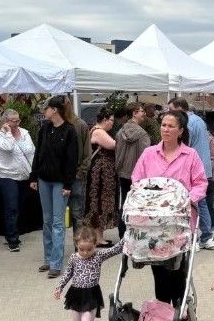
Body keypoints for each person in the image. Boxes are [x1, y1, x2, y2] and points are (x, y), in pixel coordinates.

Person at [131, 109, 208, 305]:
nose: (165, 129)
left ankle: (179, 310)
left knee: (178, 269)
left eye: (171, 126)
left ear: (180, 131)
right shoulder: (149, 154)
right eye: (163, 125)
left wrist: (187, 199)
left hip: (179, 222)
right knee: (159, 271)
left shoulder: (190, 155)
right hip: (153, 224)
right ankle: (162, 309)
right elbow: (137, 180)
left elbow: (200, 183)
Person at [53, 227, 125, 321]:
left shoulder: (99, 255)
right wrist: (59, 287)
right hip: (75, 295)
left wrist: (128, 235)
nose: (85, 252)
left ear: (95, 245)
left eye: (89, 249)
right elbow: (68, 274)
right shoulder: (73, 258)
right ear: (76, 245)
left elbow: (116, 249)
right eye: (81, 249)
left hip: (91, 295)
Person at [30, 95, 79, 278]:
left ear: (55, 110)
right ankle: (48, 258)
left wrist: (68, 184)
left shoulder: (69, 131)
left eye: (46, 108)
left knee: (58, 222)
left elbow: (72, 160)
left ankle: (56, 264)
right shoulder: (44, 128)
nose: (44, 111)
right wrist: (34, 176)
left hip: (60, 182)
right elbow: (38, 154)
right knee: (47, 220)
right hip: (44, 179)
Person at [168, 98, 214, 250]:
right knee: (202, 203)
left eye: (171, 109)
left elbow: (182, 146)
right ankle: (207, 237)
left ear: (180, 108)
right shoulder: (199, 120)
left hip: (192, 168)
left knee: (192, 203)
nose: (170, 113)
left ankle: (194, 237)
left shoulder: (186, 123)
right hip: (204, 166)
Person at [0, 108, 35, 252]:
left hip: (24, 174)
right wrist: (8, 133)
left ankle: (12, 232)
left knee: (19, 206)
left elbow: (31, 151)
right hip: (8, 175)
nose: (17, 123)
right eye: (13, 121)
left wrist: (34, 172)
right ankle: (12, 239)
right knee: (11, 207)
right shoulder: (0, 135)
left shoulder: (25, 133)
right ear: (6, 122)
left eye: (18, 120)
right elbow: (8, 147)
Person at [115, 102, 151, 239]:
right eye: (141, 111)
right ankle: (134, 234)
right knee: (138, 205)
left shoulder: (120, 132)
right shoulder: (142, 135)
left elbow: (117, 152)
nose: (144, 114)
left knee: (124, 202)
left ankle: (122, 234)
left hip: (123, 172)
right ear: (134, 113)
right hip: (138, 176)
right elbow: (146, 158)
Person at [84, 108, 118, 247]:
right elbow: (113, 145)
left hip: (102, 175)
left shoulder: (96, 130)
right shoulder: (98, 131)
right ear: (104, 119)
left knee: (100, 204)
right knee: (99, 204)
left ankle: (99, 237)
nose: (112, 123)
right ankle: (98, 238)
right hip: (99, 176)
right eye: (111, 120)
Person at [64, 96, 92, 234]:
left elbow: (87, 152)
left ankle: (79, 245)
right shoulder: (53, 125)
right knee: (59, 216)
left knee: (77, 214)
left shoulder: (80, 125)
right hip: (59, 176)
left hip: (76, 175)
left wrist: (81, 172)